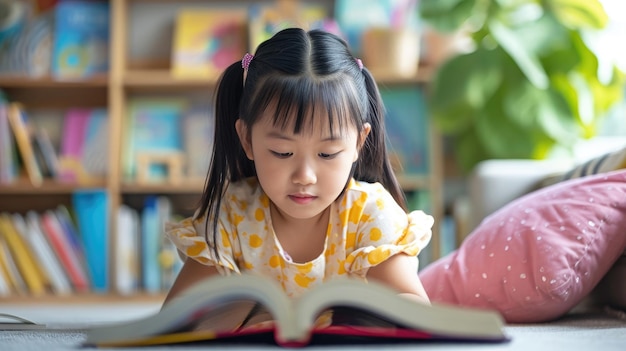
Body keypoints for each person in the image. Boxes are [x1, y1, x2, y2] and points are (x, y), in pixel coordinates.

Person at [163, 27, 433, 328]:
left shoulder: (370, 214)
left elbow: (414, 309)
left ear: (358, 142)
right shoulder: (231, 217)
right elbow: (177, 319)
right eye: (281, 152)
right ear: (247, 139)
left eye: (328, 154)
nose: (304, 176)